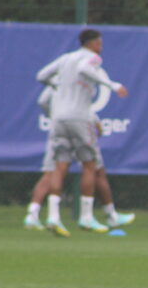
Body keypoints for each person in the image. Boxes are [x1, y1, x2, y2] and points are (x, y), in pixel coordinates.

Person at [35, 29, 128, 237]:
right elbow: (85, 69)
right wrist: (112, 85)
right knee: (89, 165)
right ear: (94, 43)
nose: (101, 47)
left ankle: (52, 216)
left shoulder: (65, 58)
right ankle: (86, 217)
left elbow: (41, 76)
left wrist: (57, 87)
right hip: (79, 117)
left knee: (59, 167)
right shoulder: (91, 58)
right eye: (100, 43)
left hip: (58, 118)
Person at [23, 86, 134, 234]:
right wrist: (96, 121)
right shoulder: (82, 75)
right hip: (81, 126)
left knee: (53, 171)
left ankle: (41, 215)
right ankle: (99, 216)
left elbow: (42, 101)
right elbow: (83, 106)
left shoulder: (57, 79)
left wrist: (54, 117)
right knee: (94, 168)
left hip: (59, 127)